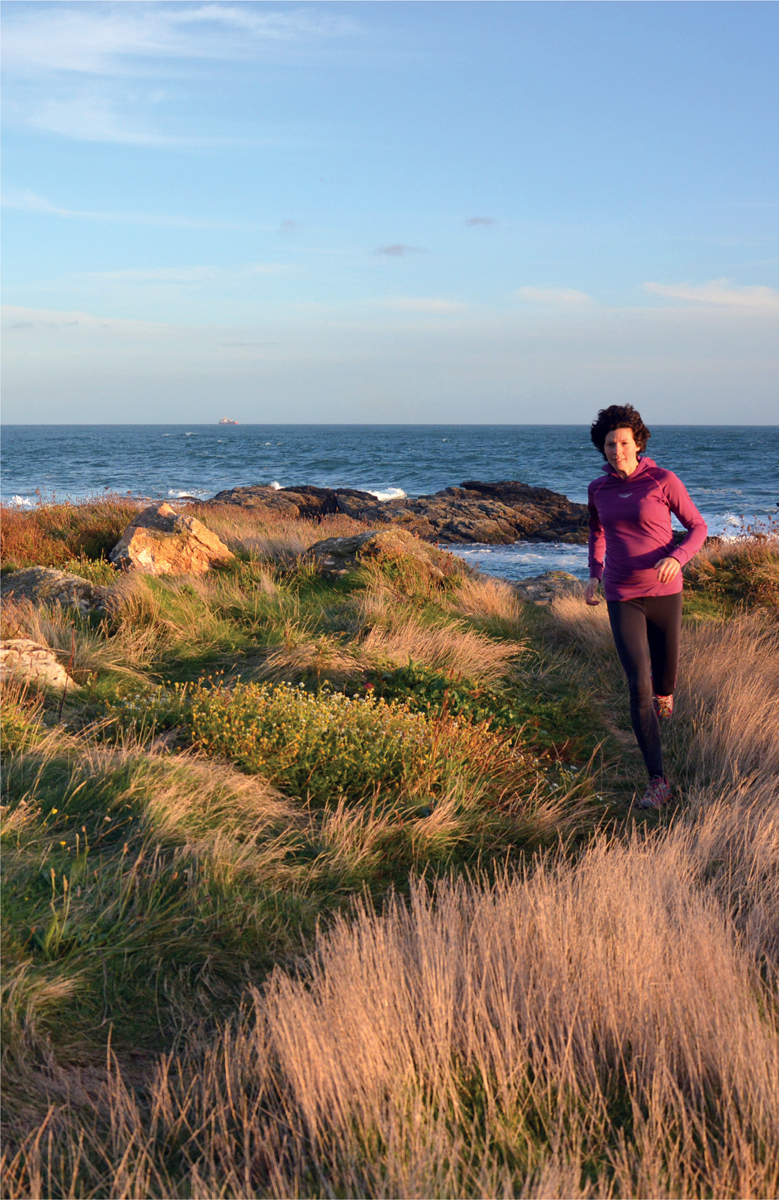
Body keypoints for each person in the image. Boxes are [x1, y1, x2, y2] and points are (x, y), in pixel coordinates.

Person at [585, 405, 707, 810]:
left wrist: (678, 558)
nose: (616, 450)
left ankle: (665, 695)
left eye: (623, 443)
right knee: (637, 684)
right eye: (609, 444)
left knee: (663, 684)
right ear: (601, 448)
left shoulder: (662, 480)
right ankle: (658, 780)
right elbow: (597, 532)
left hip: (665, 592)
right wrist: (594, 574)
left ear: (637, 444)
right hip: (622, 595)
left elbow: (698, 527)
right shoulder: (597, 490)